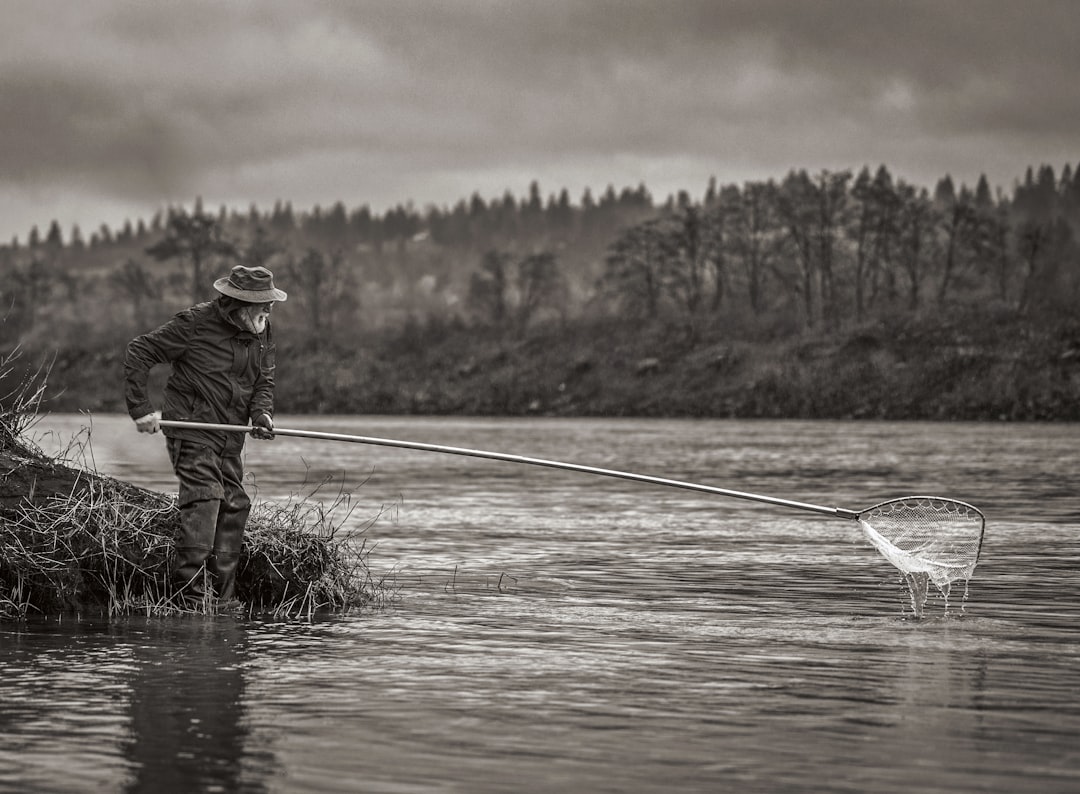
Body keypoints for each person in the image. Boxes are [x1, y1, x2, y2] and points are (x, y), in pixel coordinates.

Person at [124, 265, 287, 608]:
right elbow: (140, 350)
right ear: (241, 304)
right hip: (191, 429)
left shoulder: (262, 330)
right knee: (206, 498)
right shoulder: (195, 323)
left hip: (230, 436)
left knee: (236, 503)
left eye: (270, 302)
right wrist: (140, 409)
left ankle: (223, 598)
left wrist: (262, 414)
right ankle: (189, 596)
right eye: (264, 303)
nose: (270, 309)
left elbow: (264, 381)